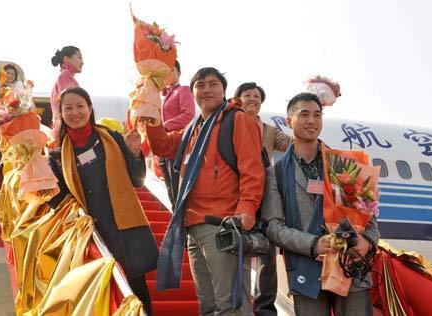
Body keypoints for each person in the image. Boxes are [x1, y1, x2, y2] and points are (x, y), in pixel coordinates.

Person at [142, 67, 265, 315]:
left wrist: (247, 210)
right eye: (200, 85)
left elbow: (252, 170)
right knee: (207, 305)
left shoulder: (237, 119)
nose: (206, 89)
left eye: (213, 84)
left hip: (222, 223)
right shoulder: (193, 129)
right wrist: (152, 120)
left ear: (223, 90)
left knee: (229, 304)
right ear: (193, 92)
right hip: (193, 225)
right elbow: (164, 146)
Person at [261, 92, 379, 316]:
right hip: (306, 267)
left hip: (350, 264)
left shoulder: (344, 164)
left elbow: (368, 214)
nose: (312, 121)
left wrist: (367, 242)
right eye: (304, 114)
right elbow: (272, 227)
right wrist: (314, 244)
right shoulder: (275, 174)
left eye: (317, 115)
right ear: (289, 121)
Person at [48, 87, 158, 314]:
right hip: (92, 238)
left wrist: (135, 153)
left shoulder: (112, 138)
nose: (75, 112)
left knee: (136, 293)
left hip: (125, 231)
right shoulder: (56, 156)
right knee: (103, 298)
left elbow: (137, 180)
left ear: (90, 109)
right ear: (60, 113)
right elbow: (57, 202)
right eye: (68, 108)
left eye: (80, 106)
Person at [234, 82, 293, 315]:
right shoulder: (232, 125)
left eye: (256, 96)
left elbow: (290, 145)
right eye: (247, 95)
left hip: (264, 194)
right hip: (238, 194)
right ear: (237, 99)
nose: (252, 99)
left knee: (267, 251)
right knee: (241, 250)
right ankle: (241, 306)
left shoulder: (268, 130)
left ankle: (265, 307)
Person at [159, 60, 195, 206]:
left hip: (176, 144)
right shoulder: (163, 94)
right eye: (165, 71)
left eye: (172, 70)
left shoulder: (184, 90)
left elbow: (189, 114)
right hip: (164, 145)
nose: (169, 73)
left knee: (176, 187)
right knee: (170, 190)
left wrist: (164, 126)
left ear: (179, 73)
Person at [50, 46, 83, 140]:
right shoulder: (64, 76)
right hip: (66, 128)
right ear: (66, 59)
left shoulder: (67, 77)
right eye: (79, 57)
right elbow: (72, 100)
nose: (82, 62)